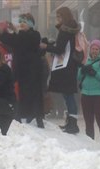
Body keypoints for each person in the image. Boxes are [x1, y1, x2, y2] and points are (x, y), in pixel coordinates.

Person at [0, 13, 44, 128]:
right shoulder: (20, 35)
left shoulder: (35, 34)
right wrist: (2, 30)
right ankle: (25, 115)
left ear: (31, 23)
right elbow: (7, 39)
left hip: (33, 69)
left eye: (24, 22)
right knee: (22, 93)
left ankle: (38, 117)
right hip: (21, 69)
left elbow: (26, 40)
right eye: (20, 22)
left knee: (35, 93)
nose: (21, 24)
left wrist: (15, 31)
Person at [40, 6, 81, 134]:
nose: (57, 19)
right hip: (71, 65)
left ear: (65, 17)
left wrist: (46, 46)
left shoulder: (64, 31)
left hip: (66, 66)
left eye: (59, 16)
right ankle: (70, 121)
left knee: (68, 95)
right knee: (68, 94)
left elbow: (60, 49)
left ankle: (72, 124)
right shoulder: (72, 30)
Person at [77, 39, 100, 146]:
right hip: (86, 95)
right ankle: (90, 144)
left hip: (99, 96)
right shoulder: (85, 61)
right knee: (88, 122)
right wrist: (81, 71)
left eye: (97, 49)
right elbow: (79, 78)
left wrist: (95, 73)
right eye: (93, 48)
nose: (94, 51)